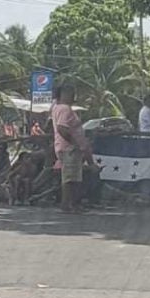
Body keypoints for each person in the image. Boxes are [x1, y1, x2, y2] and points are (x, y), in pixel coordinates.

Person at [52, 84, 91, 213]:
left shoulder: (57, 108)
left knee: (73, 177)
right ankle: (69, 204)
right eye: (70, 92)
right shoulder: (65, 109)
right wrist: (75, 143)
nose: (72, 96)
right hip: (69, 148)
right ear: (62, 94)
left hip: (64, 147)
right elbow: (62, 128)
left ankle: (71, 204)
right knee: (70, 179)